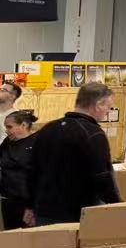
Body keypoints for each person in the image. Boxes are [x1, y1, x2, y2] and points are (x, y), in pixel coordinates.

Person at [29, 81, 120, 227]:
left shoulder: (48, 129)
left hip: (44, 211)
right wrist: (118, 206)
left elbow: (32, 170)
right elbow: (102, 176)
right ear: (98, 105)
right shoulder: (93, 134)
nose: (108, 112)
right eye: (108, 107)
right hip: (76, 214)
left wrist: (30, 205)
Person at [0, 109, 37, 230]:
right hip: (9, 200)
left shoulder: (37, 142)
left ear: (23, 125)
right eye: (6, 127)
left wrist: (31, 206)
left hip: (28, 202)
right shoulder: (8, 142)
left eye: (10, 127)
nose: (6, 130)